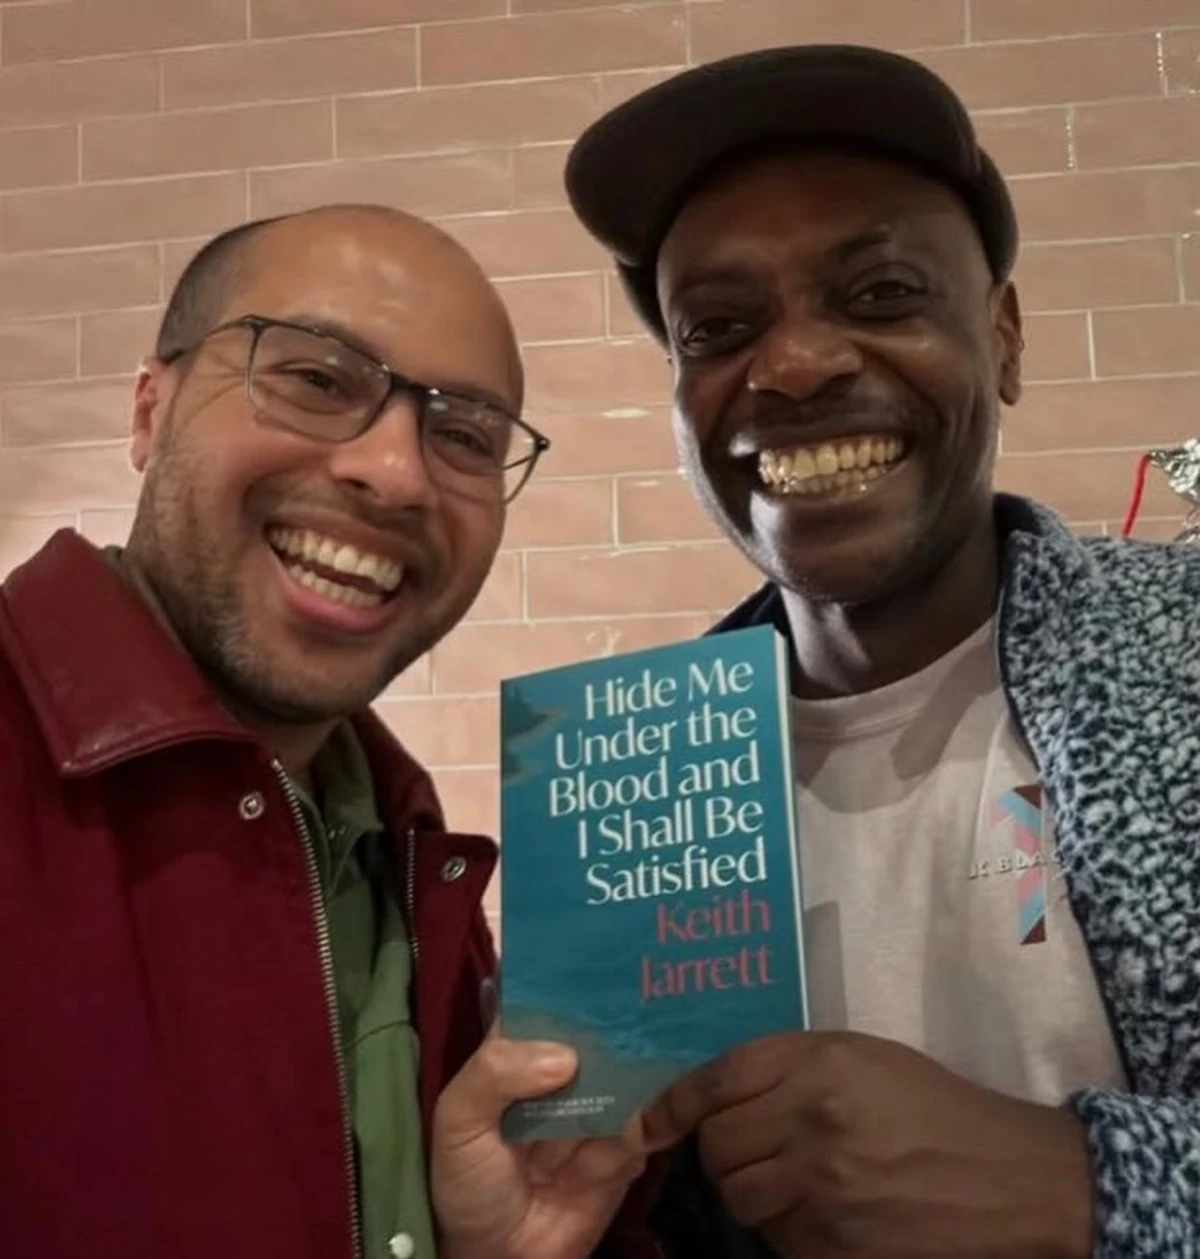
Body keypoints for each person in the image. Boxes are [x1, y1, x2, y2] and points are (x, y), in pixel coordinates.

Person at [564, 45, 1200, 1259]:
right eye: (720, 326)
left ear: (1003, 338)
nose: (794, 364)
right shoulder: (636, 779)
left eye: (882, 293)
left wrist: (1084, 1183)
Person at [0, 204, 657, 1259]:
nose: (395, 473)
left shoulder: (409, 856)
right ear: (149, 410)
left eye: (464, 436)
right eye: (315, 378)